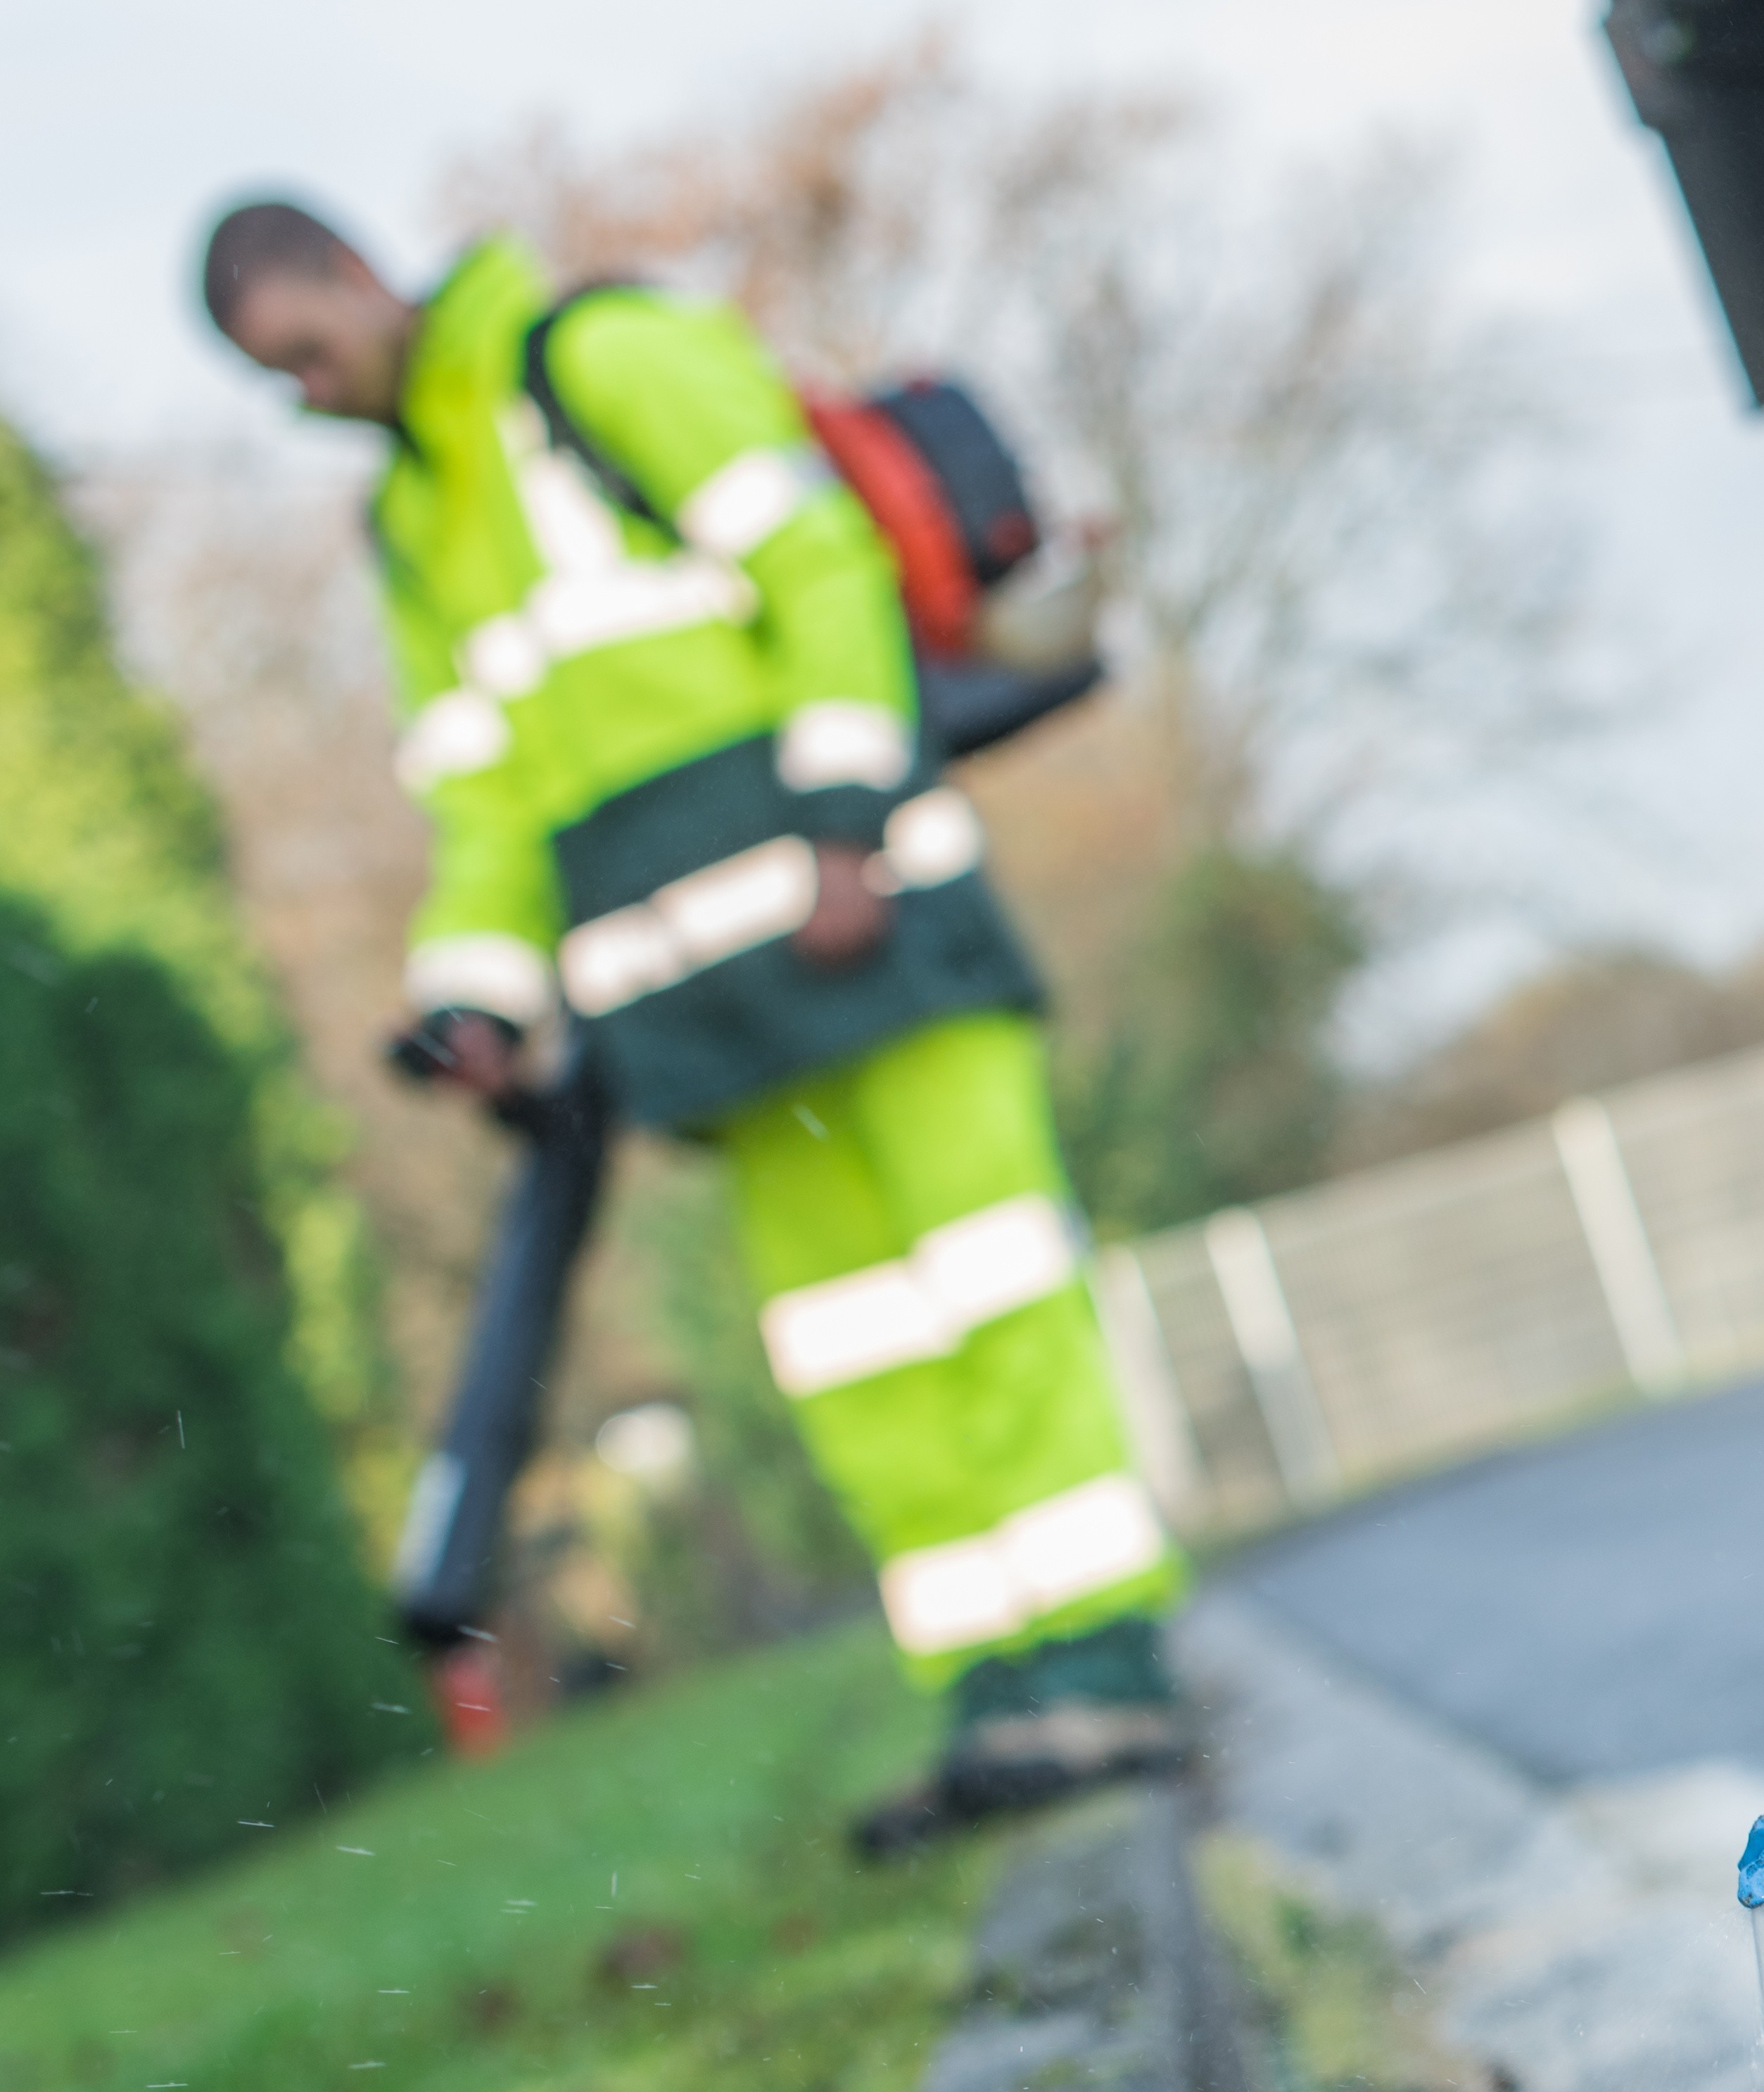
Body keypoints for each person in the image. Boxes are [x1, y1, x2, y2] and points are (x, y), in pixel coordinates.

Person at [202, 195, 1188, 1851]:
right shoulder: (411, 525)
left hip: (870, 926)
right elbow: (487, 804)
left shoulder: (599, 360)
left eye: (300, 350)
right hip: (702, 1013)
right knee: (855, 1351)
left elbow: (818, 568)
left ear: (351, 279)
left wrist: (848, 816)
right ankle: (999, 1701)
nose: (303, 392)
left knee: (994, 1290)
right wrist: (477, 997)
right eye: (272, 379)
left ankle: (1108, 1664)